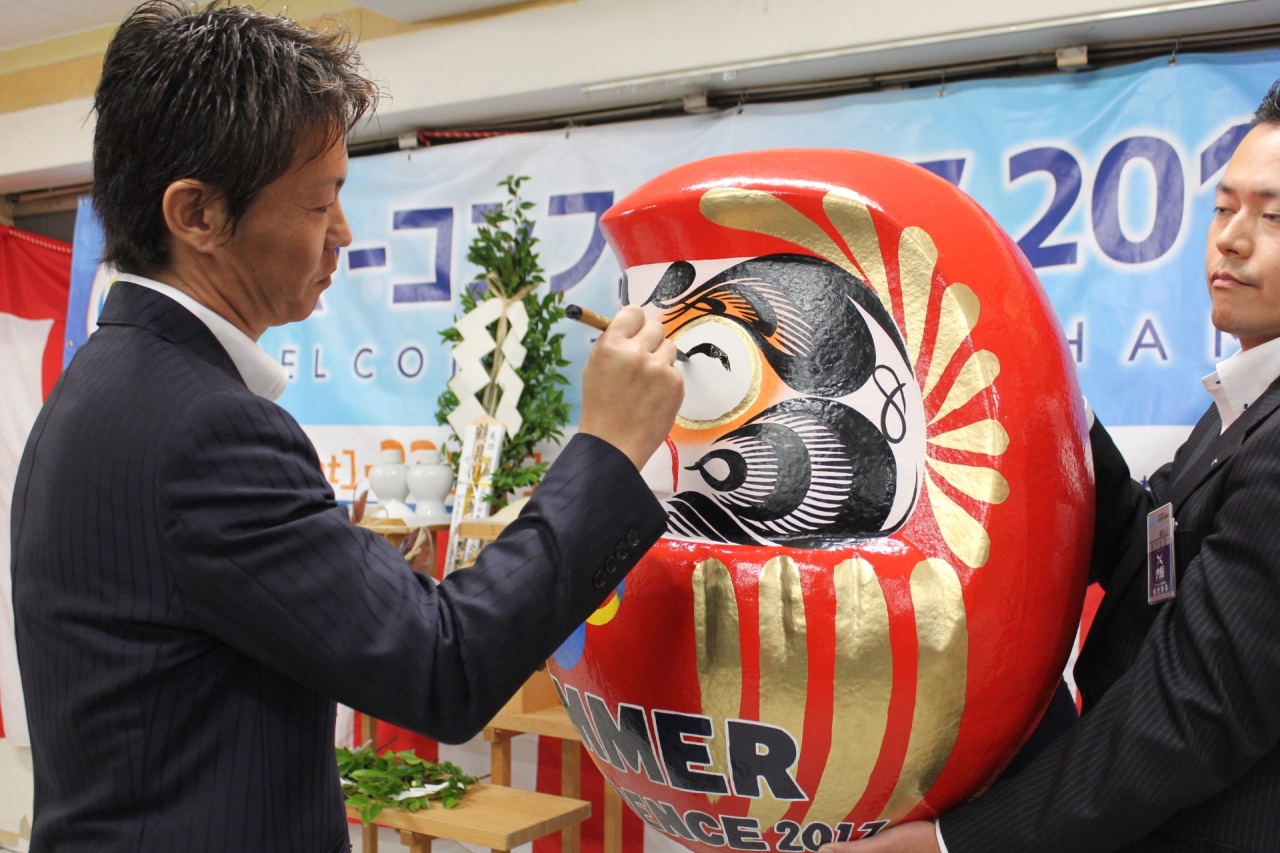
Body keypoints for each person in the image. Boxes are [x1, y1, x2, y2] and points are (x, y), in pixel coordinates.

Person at [10, 2, 683, 851]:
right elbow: (446, 666)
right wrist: (610, 447)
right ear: (197, 214)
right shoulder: (203, 429)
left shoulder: (109, 381)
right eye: (319, 201)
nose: (343, 234)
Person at [828, 81, 1280, 853]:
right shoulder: (1242, 406)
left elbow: (1191, 707)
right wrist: (1040, 386)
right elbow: (1147, 548)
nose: (1231, 239)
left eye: (1272, 217)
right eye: (1222, 208)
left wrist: (956, 844)